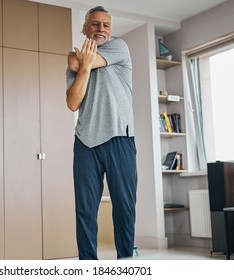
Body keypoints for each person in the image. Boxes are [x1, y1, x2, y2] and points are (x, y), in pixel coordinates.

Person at [66, 6, 138, 260]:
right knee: (85, 210)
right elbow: (73, 103)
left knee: (124, 208)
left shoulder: (120, 48)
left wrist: (81, 63)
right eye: (95, 24)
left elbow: (77, 60)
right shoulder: (74, 64)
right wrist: (84, 67)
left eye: (106, 25)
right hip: (85, 142)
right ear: (84, 29)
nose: (101, 29)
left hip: (120, 138)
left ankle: (126, 262)